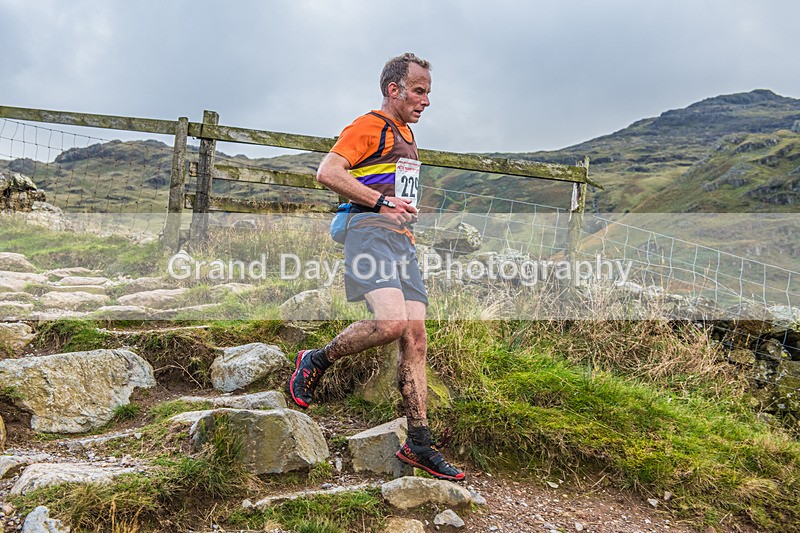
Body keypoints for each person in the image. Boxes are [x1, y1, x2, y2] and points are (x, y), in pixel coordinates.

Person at [288, 52, 465, 482]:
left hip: (401, 242)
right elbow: (328, 171)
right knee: (390, 323)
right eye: (419, 91)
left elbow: (388, 183)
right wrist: (383, 203)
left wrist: (403, 210)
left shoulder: (405, 134)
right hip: (369, 233)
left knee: (416, 336)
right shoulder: (370, 125)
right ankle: (315, 360)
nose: (425, 100)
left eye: (428, 92)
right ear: (394, 89)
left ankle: (419, 442)